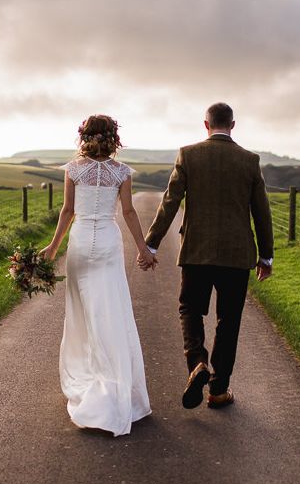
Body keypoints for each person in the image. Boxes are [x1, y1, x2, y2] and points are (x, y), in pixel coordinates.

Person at [139, 102, 273, 409]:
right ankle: (217, 390)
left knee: (190, 308)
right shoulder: (250, 160)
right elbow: (261, 214)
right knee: (229, 321)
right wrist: (266, 256)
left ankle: (197, 362)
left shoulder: (188, 155)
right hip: (237, 256)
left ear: (206, 125)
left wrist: (152, 244)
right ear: (233, 125)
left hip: (197, 251)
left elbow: (170, 202)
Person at [40, 115, 152, 436]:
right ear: (113, 137)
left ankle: (92, 378)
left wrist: (52, 247)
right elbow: (128, 212)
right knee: (110, 313)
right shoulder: (122, 172)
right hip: (106, 242)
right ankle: (113, 383)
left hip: (79, 245)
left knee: (83, 314)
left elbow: (68, 211)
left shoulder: (74, 170)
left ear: (85, 136)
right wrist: (143, 249)